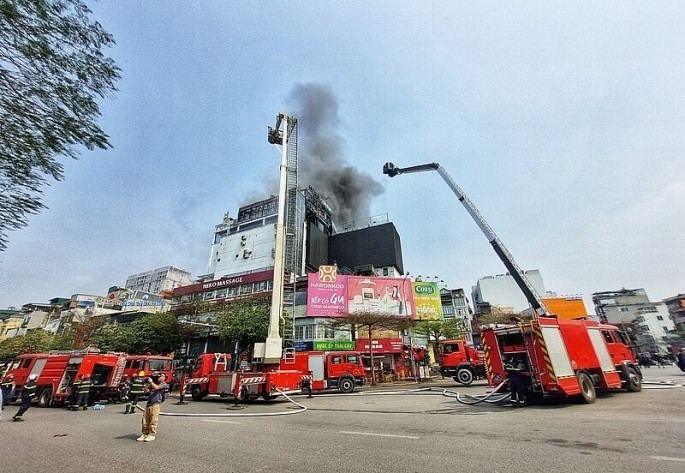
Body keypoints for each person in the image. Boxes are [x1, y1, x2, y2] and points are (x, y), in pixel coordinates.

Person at [137, 373, 168, 442]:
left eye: (160, 376)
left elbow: (157, 387)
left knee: (153, 419)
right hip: (149, 403)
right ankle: (144, 433)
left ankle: (151, 434)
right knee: (145, 420)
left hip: (156, 403)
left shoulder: (164, 384)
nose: (158, 377)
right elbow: (145, 391)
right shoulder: (153, 383)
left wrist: (151, 382)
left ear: (164, 377)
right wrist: (148, 384)